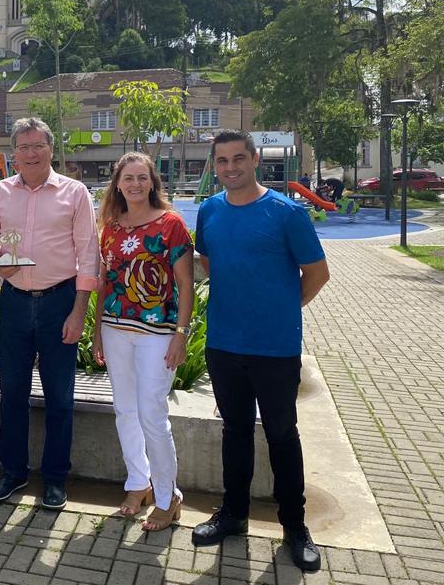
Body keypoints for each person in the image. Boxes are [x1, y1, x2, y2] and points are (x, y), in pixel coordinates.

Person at [193, 130, 330, 571]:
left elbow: (317, 273)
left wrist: (281, 309)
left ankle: (294, 526)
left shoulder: (286, 212)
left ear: (254, 160)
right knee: (234, 430)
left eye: (238, 158)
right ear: (214, 165)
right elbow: (209, 264)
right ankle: (234, 514)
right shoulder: (209, 211)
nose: (230, 167)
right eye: (222, 161)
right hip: (223, 343)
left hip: (275, 347)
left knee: (282, 434)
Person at [0, 117, 99, 511]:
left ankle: (54, 479)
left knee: (59, 396)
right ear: (14, 153)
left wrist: (79, 312)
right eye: (23, 147)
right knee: (11, 393)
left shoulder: (75, 192)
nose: (31, 153)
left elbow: (88, 256)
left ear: (51, 149)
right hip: (13, 301)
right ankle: (12, 473)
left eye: (38, 146)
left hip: (59, 302)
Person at [92, 152, 193, 531]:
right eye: (128, 178)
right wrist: (97, 331)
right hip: (117, 329)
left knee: (153, 415)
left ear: (152, 182)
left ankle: (169, 498)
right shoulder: (111, 226)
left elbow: (185, 284)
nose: (135, 184)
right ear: (117, 183)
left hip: (158, 334)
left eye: (142, 177)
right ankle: (139, 483)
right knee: (125, 411)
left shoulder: (171, 225)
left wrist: (180, 335)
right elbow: (105, 282)